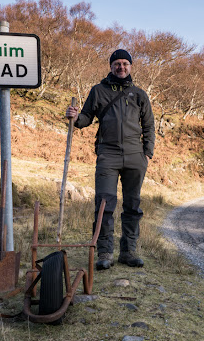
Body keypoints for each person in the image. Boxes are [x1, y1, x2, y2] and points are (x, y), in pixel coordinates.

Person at [66, 49, 155, 270]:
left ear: (131, 66)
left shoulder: (140, 95)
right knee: (104, 204)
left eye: (125, 63)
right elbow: (86, 117)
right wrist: (75, 118)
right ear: (111, 66)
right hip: (108, 155)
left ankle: (128, 251)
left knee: (132, 205)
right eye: (117, 64)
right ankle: (105, 252)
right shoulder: (98, 91)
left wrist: (147, 153)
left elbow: (149, 126)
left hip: (136, 157)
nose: (121, 67)